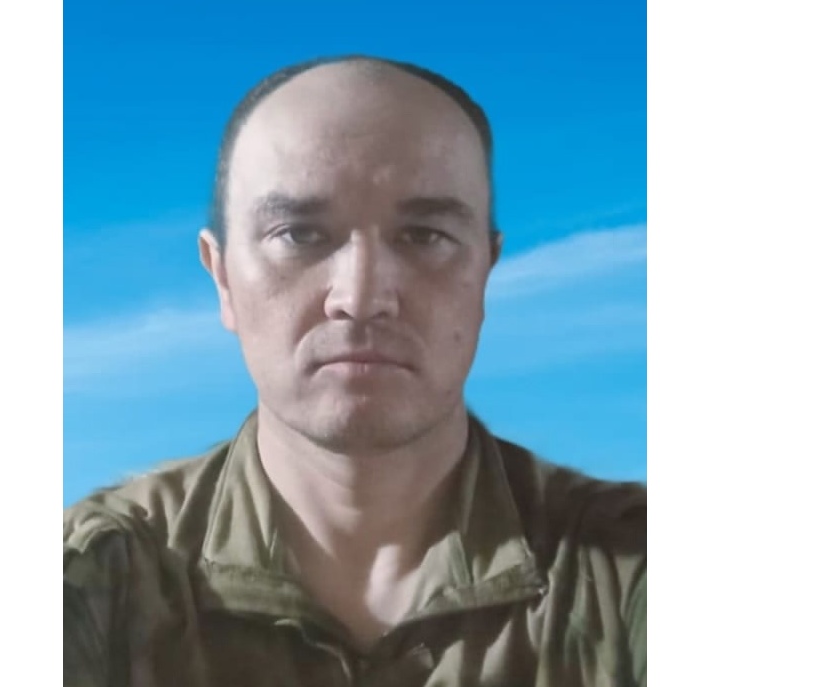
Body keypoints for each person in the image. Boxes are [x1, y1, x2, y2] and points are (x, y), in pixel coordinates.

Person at [64, 55, 646, 687]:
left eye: (424, 236)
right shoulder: (93, 580)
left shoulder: (632, 573)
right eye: (298, 234)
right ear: (223, 276)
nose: (361, 296)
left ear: (484, 270)